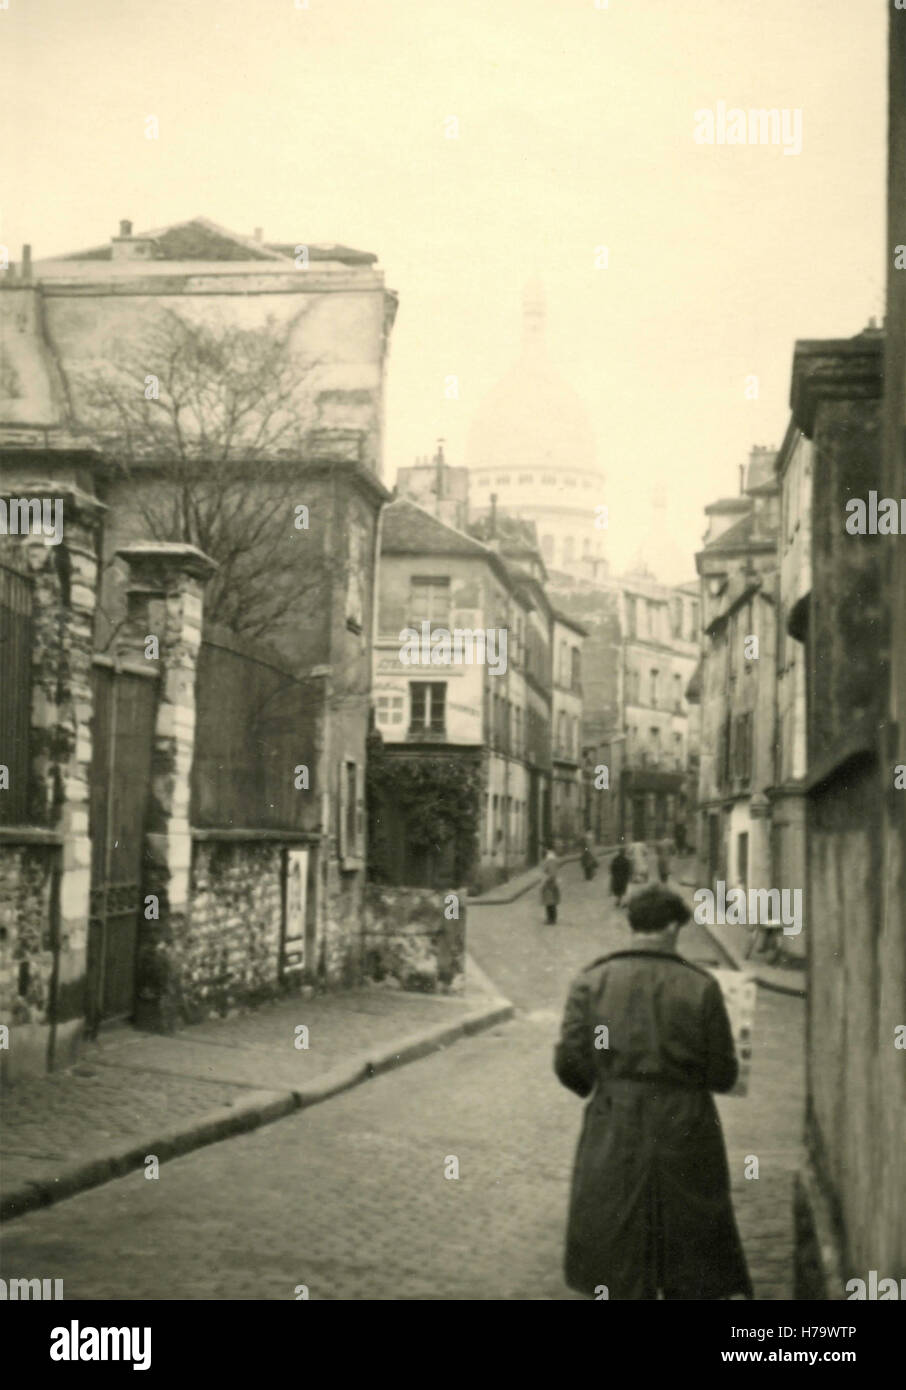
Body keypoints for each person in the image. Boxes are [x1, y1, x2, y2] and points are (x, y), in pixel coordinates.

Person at [553, 883, 752, 1301]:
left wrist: (604, 1083)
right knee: (689, 1239)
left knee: (615, 1236)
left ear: (633, 926)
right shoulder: (702, 986)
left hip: (614, 1121)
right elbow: (722, 1072)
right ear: (673, 929)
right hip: (686, 1123)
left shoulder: (593, 981)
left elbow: (572, 1064)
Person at [540, 848, 560, 924]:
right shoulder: (552, 861)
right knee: (550, 902)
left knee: (549, 902)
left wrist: (545, 881)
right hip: (551, 883)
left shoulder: (550, 862)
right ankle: (552, 918)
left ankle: (551, 919)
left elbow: (551, 874)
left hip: (549, 885)